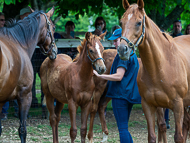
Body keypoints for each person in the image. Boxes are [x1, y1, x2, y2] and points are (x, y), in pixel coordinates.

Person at [93, 28, 141, 143]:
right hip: (129, 96)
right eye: (113, 41)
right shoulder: (133, 54)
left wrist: (100, 76)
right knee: (124, 128)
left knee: (122, 130)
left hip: (120, 96)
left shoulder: (122, 55)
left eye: (116, 40)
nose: (114, 43)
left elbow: (119, 76)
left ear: (123, 39)